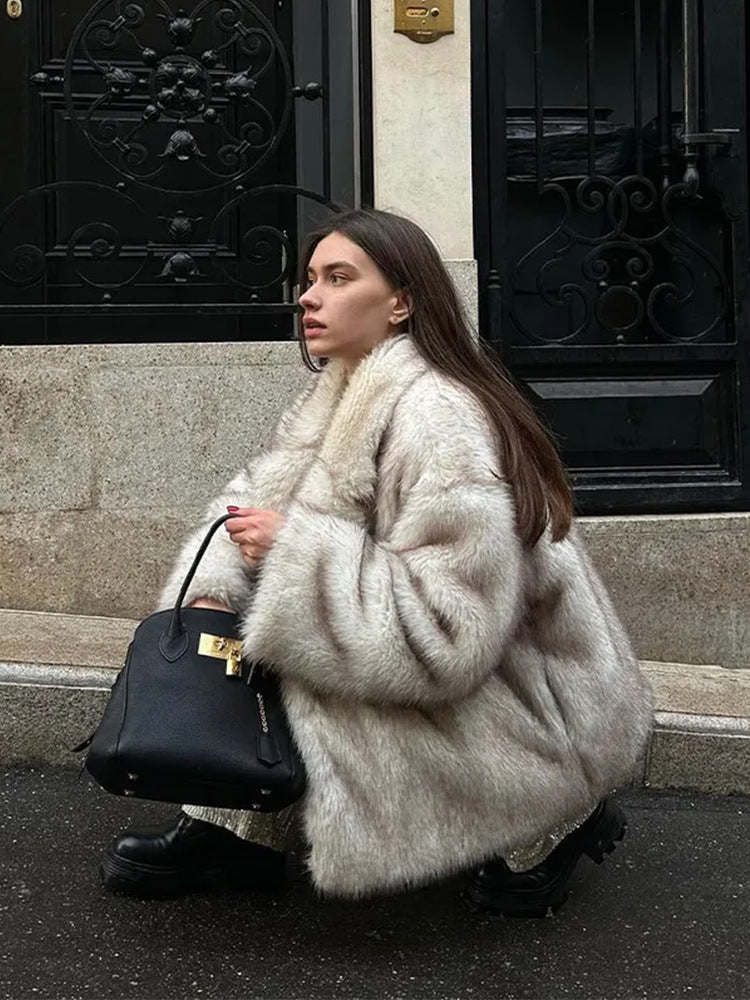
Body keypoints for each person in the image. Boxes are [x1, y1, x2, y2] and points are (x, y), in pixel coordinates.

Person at [100, 208, 653, 917]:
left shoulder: (438, 419)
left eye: (338, 278)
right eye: (309, 279)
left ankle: (553, 823)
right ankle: (239, 821)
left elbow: (448, 635)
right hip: (449, 654)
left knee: (300, 633)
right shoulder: (345, 390)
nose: (309, 297)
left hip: (528, 704)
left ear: (400, 303)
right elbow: (253, 502)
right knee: (256, 630)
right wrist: (213, 590)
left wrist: (296, 557)